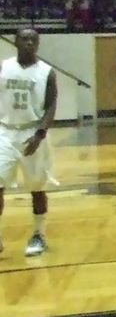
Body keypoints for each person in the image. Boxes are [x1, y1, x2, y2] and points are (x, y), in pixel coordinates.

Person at [0, 28, 58, 258]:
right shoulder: (4, 67)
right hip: (4, 132)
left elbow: (51, 105)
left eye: (33, 40)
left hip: (32, 133)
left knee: (36, 188)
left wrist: (40, 133)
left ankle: (39, 234)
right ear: (16, 42)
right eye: (25, 39)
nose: (29, 43)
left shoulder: (46, 72)